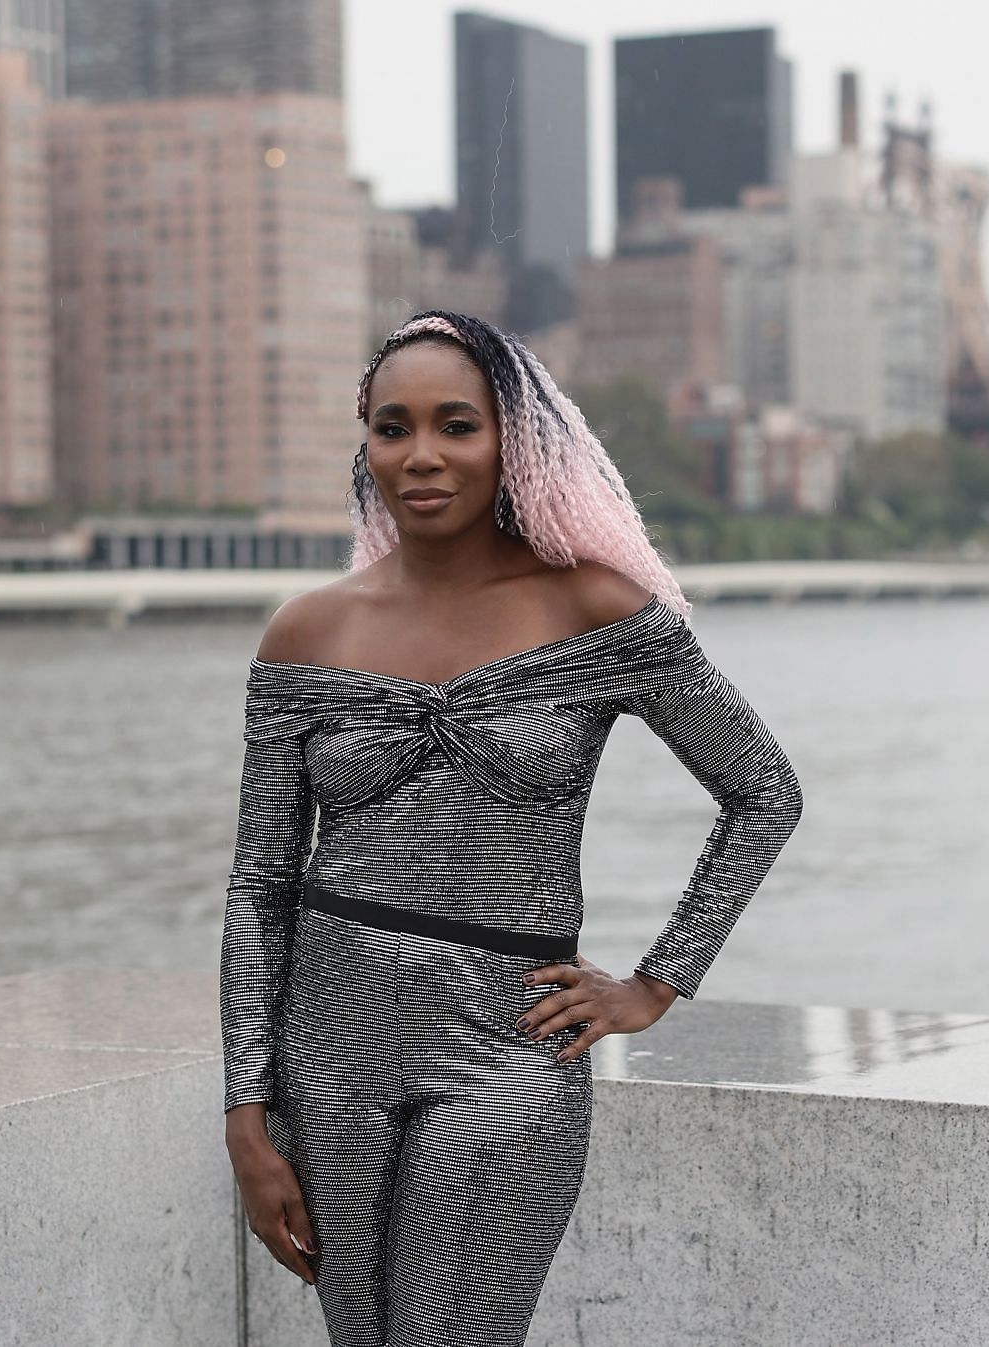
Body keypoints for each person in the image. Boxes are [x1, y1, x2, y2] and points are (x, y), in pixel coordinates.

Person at [219, 310, 803, 1347]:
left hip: (509, 1048)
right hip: (327, 1051)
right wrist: (246, 1116)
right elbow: (262, 886)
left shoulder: (597, 611)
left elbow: (762, 789)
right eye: (394, 428)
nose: (424, 456)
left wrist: (654, 983)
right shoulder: (304, 633)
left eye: (457, 425)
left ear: (511, 441)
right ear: (365, 442)